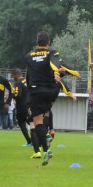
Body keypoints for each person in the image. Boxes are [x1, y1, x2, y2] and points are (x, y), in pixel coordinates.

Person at [25, 31, 77, 165]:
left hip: (36, 91)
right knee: (45, 113)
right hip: (50, 91)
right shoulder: (53, 53)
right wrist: (73, 73)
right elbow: (59, 66)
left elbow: (29, 75)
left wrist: (29, 91)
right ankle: (47, 147)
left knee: (37, 122)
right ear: (49, 42)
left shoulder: (29, 56)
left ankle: (46, 139)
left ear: (37, 42)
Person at [11, 68, 33, 147]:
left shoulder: (18, 83)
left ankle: (29, 141)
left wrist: (12, 94)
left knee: (21, 123)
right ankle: (38, 138)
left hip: (21, 106)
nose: (13, 77)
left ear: (16, 75)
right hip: (29, 105)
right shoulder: (27, 80)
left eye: (13, 75)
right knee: (31, 122)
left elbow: (18, 95)